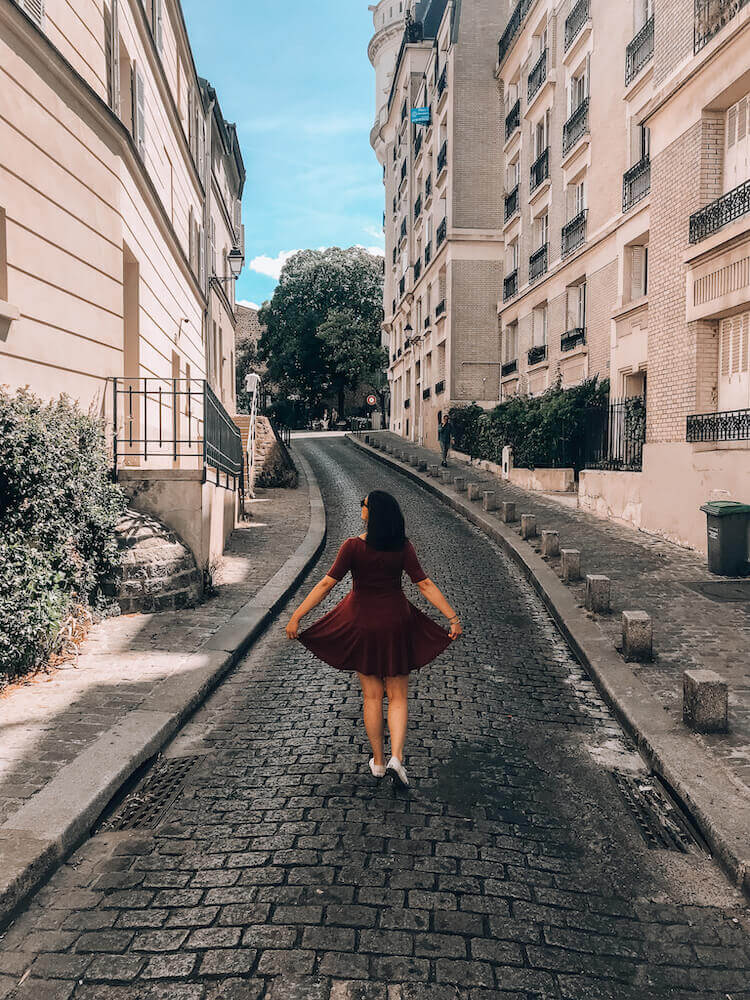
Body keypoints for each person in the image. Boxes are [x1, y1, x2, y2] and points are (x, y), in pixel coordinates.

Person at [285, 491, 462, 787]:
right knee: (398, 696)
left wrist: (297, 616)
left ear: (373, 513)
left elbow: (327, 583)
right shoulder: (403, 547)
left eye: (363, 505)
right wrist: (452, 617)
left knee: (371, 696)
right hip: (396, 622)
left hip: (363, 624)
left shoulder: (353, 547)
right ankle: (397, 758)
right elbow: (424, 584)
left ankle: (378, 762)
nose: (360, 509)